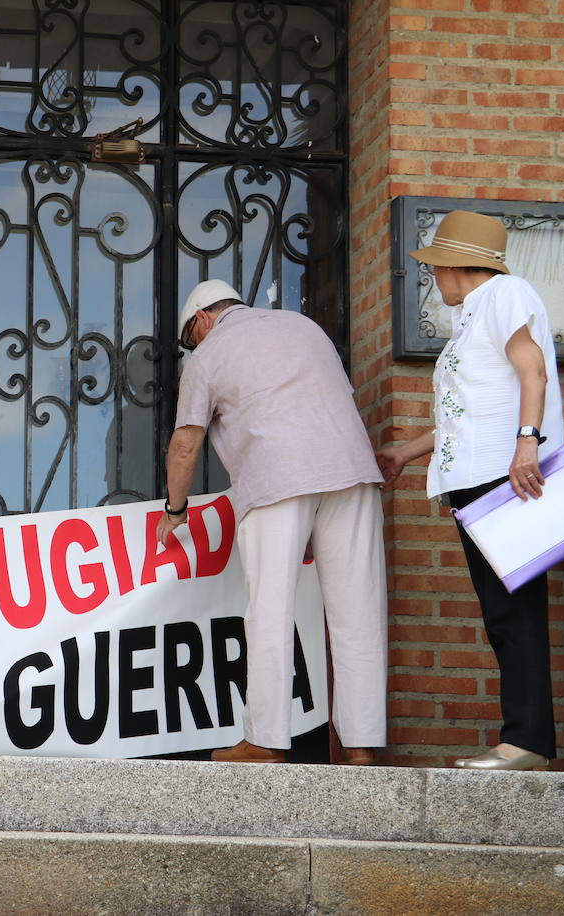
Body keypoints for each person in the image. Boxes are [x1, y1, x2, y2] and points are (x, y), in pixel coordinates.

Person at [157, 279, 387, 765]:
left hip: (278, 476)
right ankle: (361, 744)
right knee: (358, 612)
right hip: (352, 469)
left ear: (202, 318)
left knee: (269, 610)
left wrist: (175, 511)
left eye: (189, 339)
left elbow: (184, 445)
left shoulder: (209, 354)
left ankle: (263, 741)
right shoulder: (304, 327)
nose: (191, 348)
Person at [375, 210, 564, 771]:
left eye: (437, 267)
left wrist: (527, 443)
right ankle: (524, 739)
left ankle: (526, 741)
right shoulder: (475, 314)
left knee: (514, 612)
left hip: (504, 479)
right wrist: (407, 453)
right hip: (480, 479)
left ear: (462, 265)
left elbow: (533, 371)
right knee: (501, 612)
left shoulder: (505, 292)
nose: (434, 278)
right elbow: (472, 408)